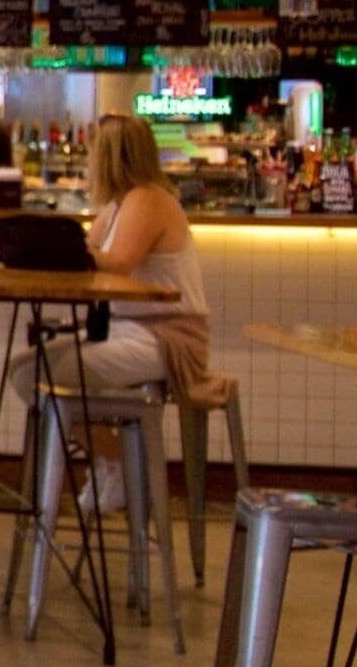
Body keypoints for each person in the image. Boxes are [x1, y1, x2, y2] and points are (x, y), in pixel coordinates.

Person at [16, 116, 211, 501]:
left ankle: (117, 461)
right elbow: (89, 255)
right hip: (128, 330)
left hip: (167, 338)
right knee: (23, 371)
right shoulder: (120, 205)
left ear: (106, 157)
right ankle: (111, 459)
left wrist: (62, 249)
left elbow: (116, 261)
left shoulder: (148, 199)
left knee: (37, 374)